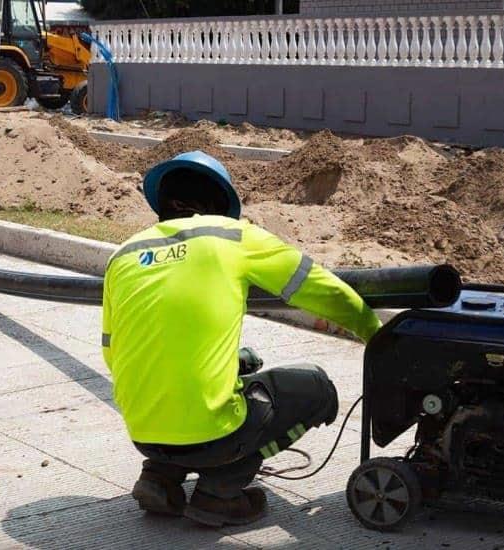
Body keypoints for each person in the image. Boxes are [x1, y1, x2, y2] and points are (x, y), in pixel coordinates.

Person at [101, 151, 381, 527]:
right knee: (316, 389)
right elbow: (323, 290)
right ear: (219, 204)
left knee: (208, 389)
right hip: (211, 436)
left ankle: (159, 476)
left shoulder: (123, 255)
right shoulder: (231, 236)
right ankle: (219, 491)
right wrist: (375, 334)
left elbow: (111, 351)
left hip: (142, 431)